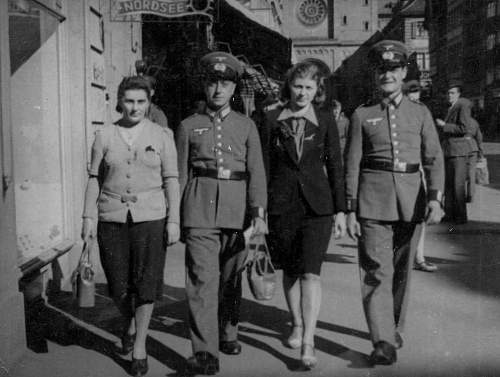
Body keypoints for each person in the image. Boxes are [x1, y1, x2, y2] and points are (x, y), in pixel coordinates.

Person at [344, 40, 444, 365]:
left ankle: (393, 325)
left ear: (403, 72)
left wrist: (436, 199)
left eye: (393, 69)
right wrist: (349, 208)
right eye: (381, 69)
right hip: (372, 202)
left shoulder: (421, 112)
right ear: (375, 74)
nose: (387, 75)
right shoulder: (362, 115)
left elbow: (433, 157)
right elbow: (352, 163)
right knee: (376, 271)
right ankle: (382, 341)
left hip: (410, 202)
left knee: (401, 272)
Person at [81, 76, 180, 377]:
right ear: (118, 101)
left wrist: (174, 220)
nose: (135, 108)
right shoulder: (105, 135)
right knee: (118, 286)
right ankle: (130, 323)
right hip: (111, 217)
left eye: (141, 102)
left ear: (149, 101)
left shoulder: (162, 135)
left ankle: (139, 345)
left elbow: (171, 179)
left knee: (146, 284)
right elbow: (94, 178)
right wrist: (87, 217)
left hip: (150, 217)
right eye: (129, 101)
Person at [176, 51, 267, 375]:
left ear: (233, 88)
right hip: (198, 208)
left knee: (229, 279)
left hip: (237, 209)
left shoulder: (246, 126)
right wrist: (176, 218)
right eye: (212, 82)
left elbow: (256, 171)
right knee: (202, 281)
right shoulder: (188, 126)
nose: (218, 89)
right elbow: (180, 174)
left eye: (225, 83)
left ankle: (228, 332)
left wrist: (258, 214)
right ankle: (204, 353)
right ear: (204, 85)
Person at [260, 60, 347, 370]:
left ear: (317, 90)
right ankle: (296, 322)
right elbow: (264, 168)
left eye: (309, 87)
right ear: (289, 86)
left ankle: (308, 340)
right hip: (281, 206)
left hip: (317, 208)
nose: (302, 93)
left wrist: (341, 210)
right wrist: (259, 211)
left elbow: (336, 167)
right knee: (290, 270)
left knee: (311, 271)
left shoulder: (325, 121)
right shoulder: (271, 119)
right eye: (298, 86)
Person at [403, 80, 438, 273]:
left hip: (419, 170)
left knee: (420, 216)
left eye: (417, 99)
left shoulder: (423, 111)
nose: (415, 102)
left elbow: (431, 146)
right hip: (401, 172)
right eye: (411, 98)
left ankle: (419, 257)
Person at [435, 83, 478, 224]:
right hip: (449, 150)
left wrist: (444, 126)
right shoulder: (451, 107)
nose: (449, 95)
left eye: (452, 93)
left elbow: (464, 128)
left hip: (458, 151)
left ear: (459, 94)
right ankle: (449, 214)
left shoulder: (462, 106)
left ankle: (460, 216)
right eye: (448, 93)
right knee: (448, 184)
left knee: (457, 185)